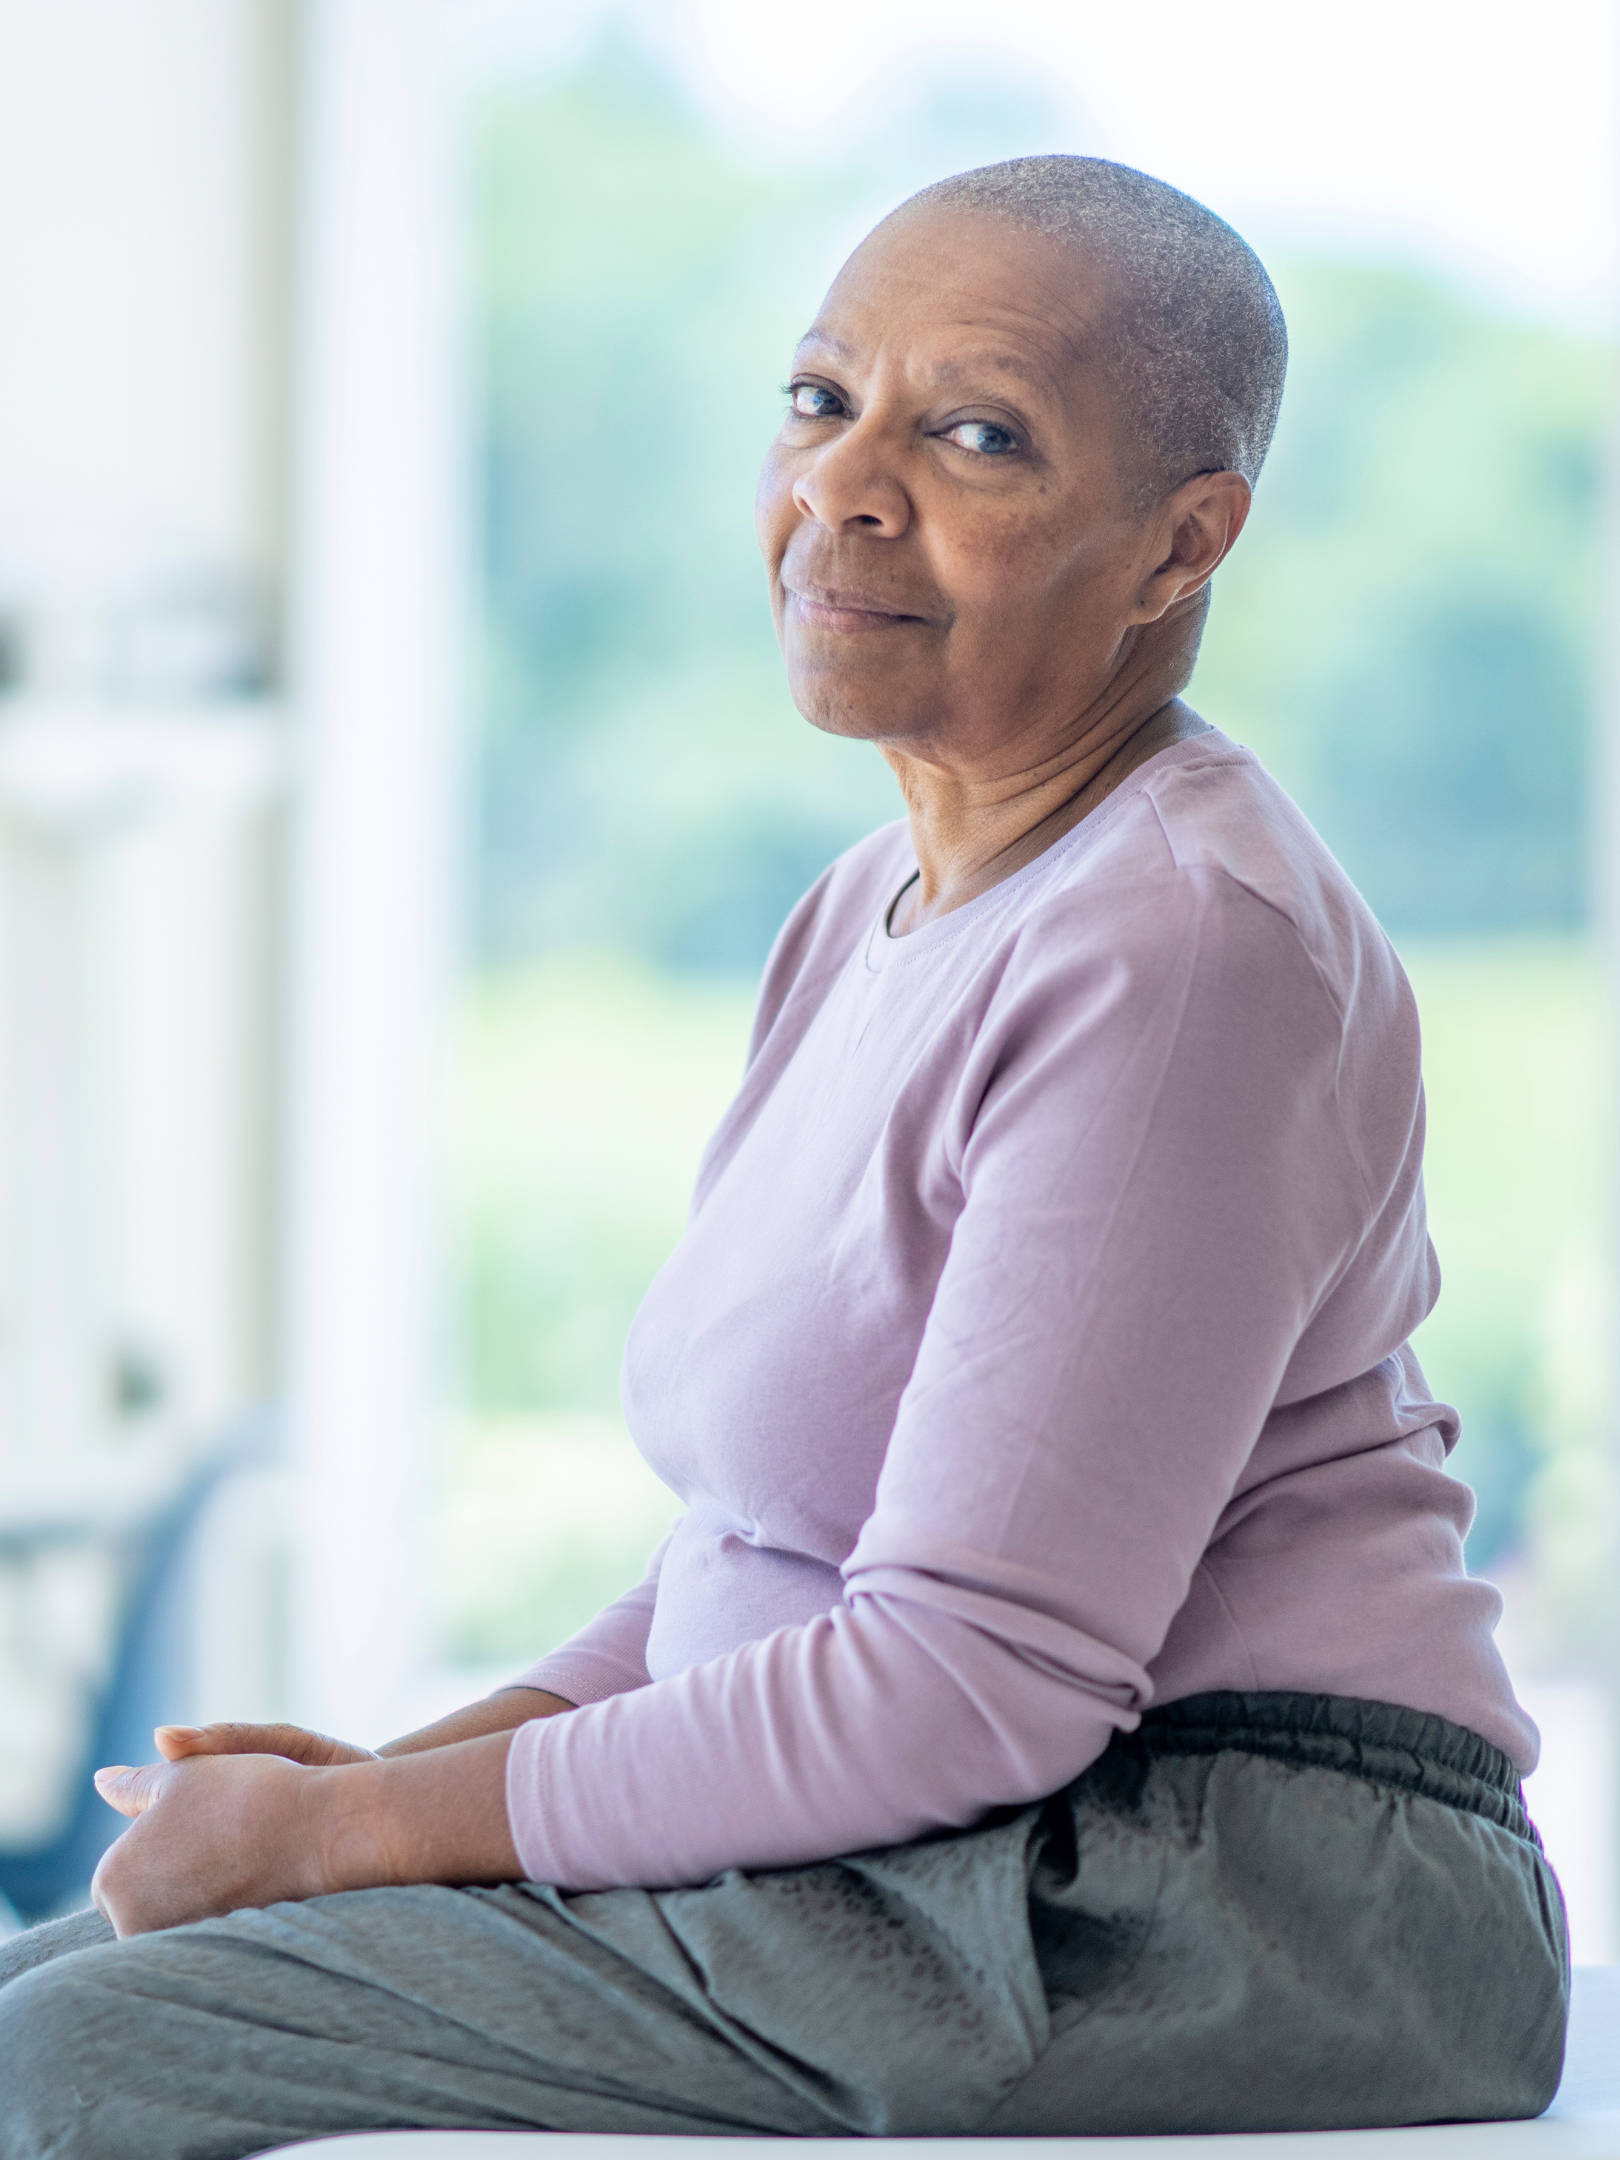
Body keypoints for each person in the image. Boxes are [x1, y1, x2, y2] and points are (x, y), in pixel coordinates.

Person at [0, 155, 1567, 2156]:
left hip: (1207, 1893)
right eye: (825, 401)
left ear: (1184, 544)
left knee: (76, 2059)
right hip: (963, 1848)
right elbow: (751, 1554)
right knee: (52, 1985)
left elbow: (964, 1685)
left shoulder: (1181, 948)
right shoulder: (867, 910)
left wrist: (351, 1836)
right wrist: (384, 1785)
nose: (848, 487)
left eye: (978, 435)